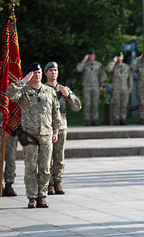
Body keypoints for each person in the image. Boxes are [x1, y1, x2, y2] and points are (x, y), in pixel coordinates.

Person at [6, 62, 62, 208]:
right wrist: (23, 80)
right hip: (29, 135)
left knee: (45, 168)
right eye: (34, 72)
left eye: (39, 72)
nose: (37, 74)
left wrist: (56, 131)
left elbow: (56, 113)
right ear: (30, 74)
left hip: (46, 134)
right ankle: (32, 196)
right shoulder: (23, 91)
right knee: (30, 167)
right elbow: (9, 94)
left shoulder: (49, 91)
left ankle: (42, 195)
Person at [44, 62, 81, 195]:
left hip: (61, 127)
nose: (53, 72)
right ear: (46, 73)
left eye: (55, 70)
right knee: (46, 157)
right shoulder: (42, 89)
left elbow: (77, 107)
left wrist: (68, 95)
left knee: (59, 156)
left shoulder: (63, 89)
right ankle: (47, 183)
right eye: (51, 70)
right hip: (46, 128)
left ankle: (57, 182)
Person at [0, 62, 18, 197]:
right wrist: (5, 106)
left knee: (11, 157)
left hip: (11, 126)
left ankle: (9, 184)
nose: (2, 72)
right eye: (0, 70)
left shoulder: (11, 87)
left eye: (4, 69)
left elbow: (17, 101)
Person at [76, 49, 104, 126]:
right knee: (87, 104)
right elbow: (79, 69)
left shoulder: (98, 64)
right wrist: (84, 60)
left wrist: (102, 85)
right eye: (90, 55)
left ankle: (95, 120)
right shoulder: (84, 64)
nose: (92, 57)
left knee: (95, 104)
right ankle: (87, 120)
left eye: (93, 55)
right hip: (87, 87)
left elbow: (101, 75)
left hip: (95, 86)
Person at [106, 52, 133, 125]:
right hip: (116, 88)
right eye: (118, 56)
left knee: (124, 104)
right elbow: (108, 70)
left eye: (121, 56)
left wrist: (130, 87)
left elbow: (130, 78)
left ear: (123, 57)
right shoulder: (113, 66)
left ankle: (123, 119)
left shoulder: (126, 67)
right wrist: (113, 61)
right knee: (116, 104)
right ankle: (116, 119)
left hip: (125, 88)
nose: (120, 58)